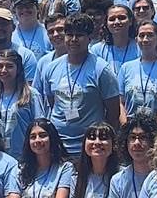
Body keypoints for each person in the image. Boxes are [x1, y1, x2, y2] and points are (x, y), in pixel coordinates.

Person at [35, 12, 122, 150]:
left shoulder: (101, 69)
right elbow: (52, 103)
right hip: (58, 145)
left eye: (79, 35)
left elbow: (113, 114)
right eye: (69, 34)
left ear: (89, 38)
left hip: (89, 146)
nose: (74, 39)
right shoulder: (51, 68)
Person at [0, 49, 36, 150]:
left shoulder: (31, 94)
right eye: (0, 66)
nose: (4, 70)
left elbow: (39, 125)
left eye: (9, 66)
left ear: (18, 69)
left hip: (24, 154)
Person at [120, 19, 157, 121]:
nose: (145, 40)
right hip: (131, 127)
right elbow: (120, 102)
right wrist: (125, 125)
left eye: (150, 35)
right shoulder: (126, 67)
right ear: (136, 39)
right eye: (141, 35)